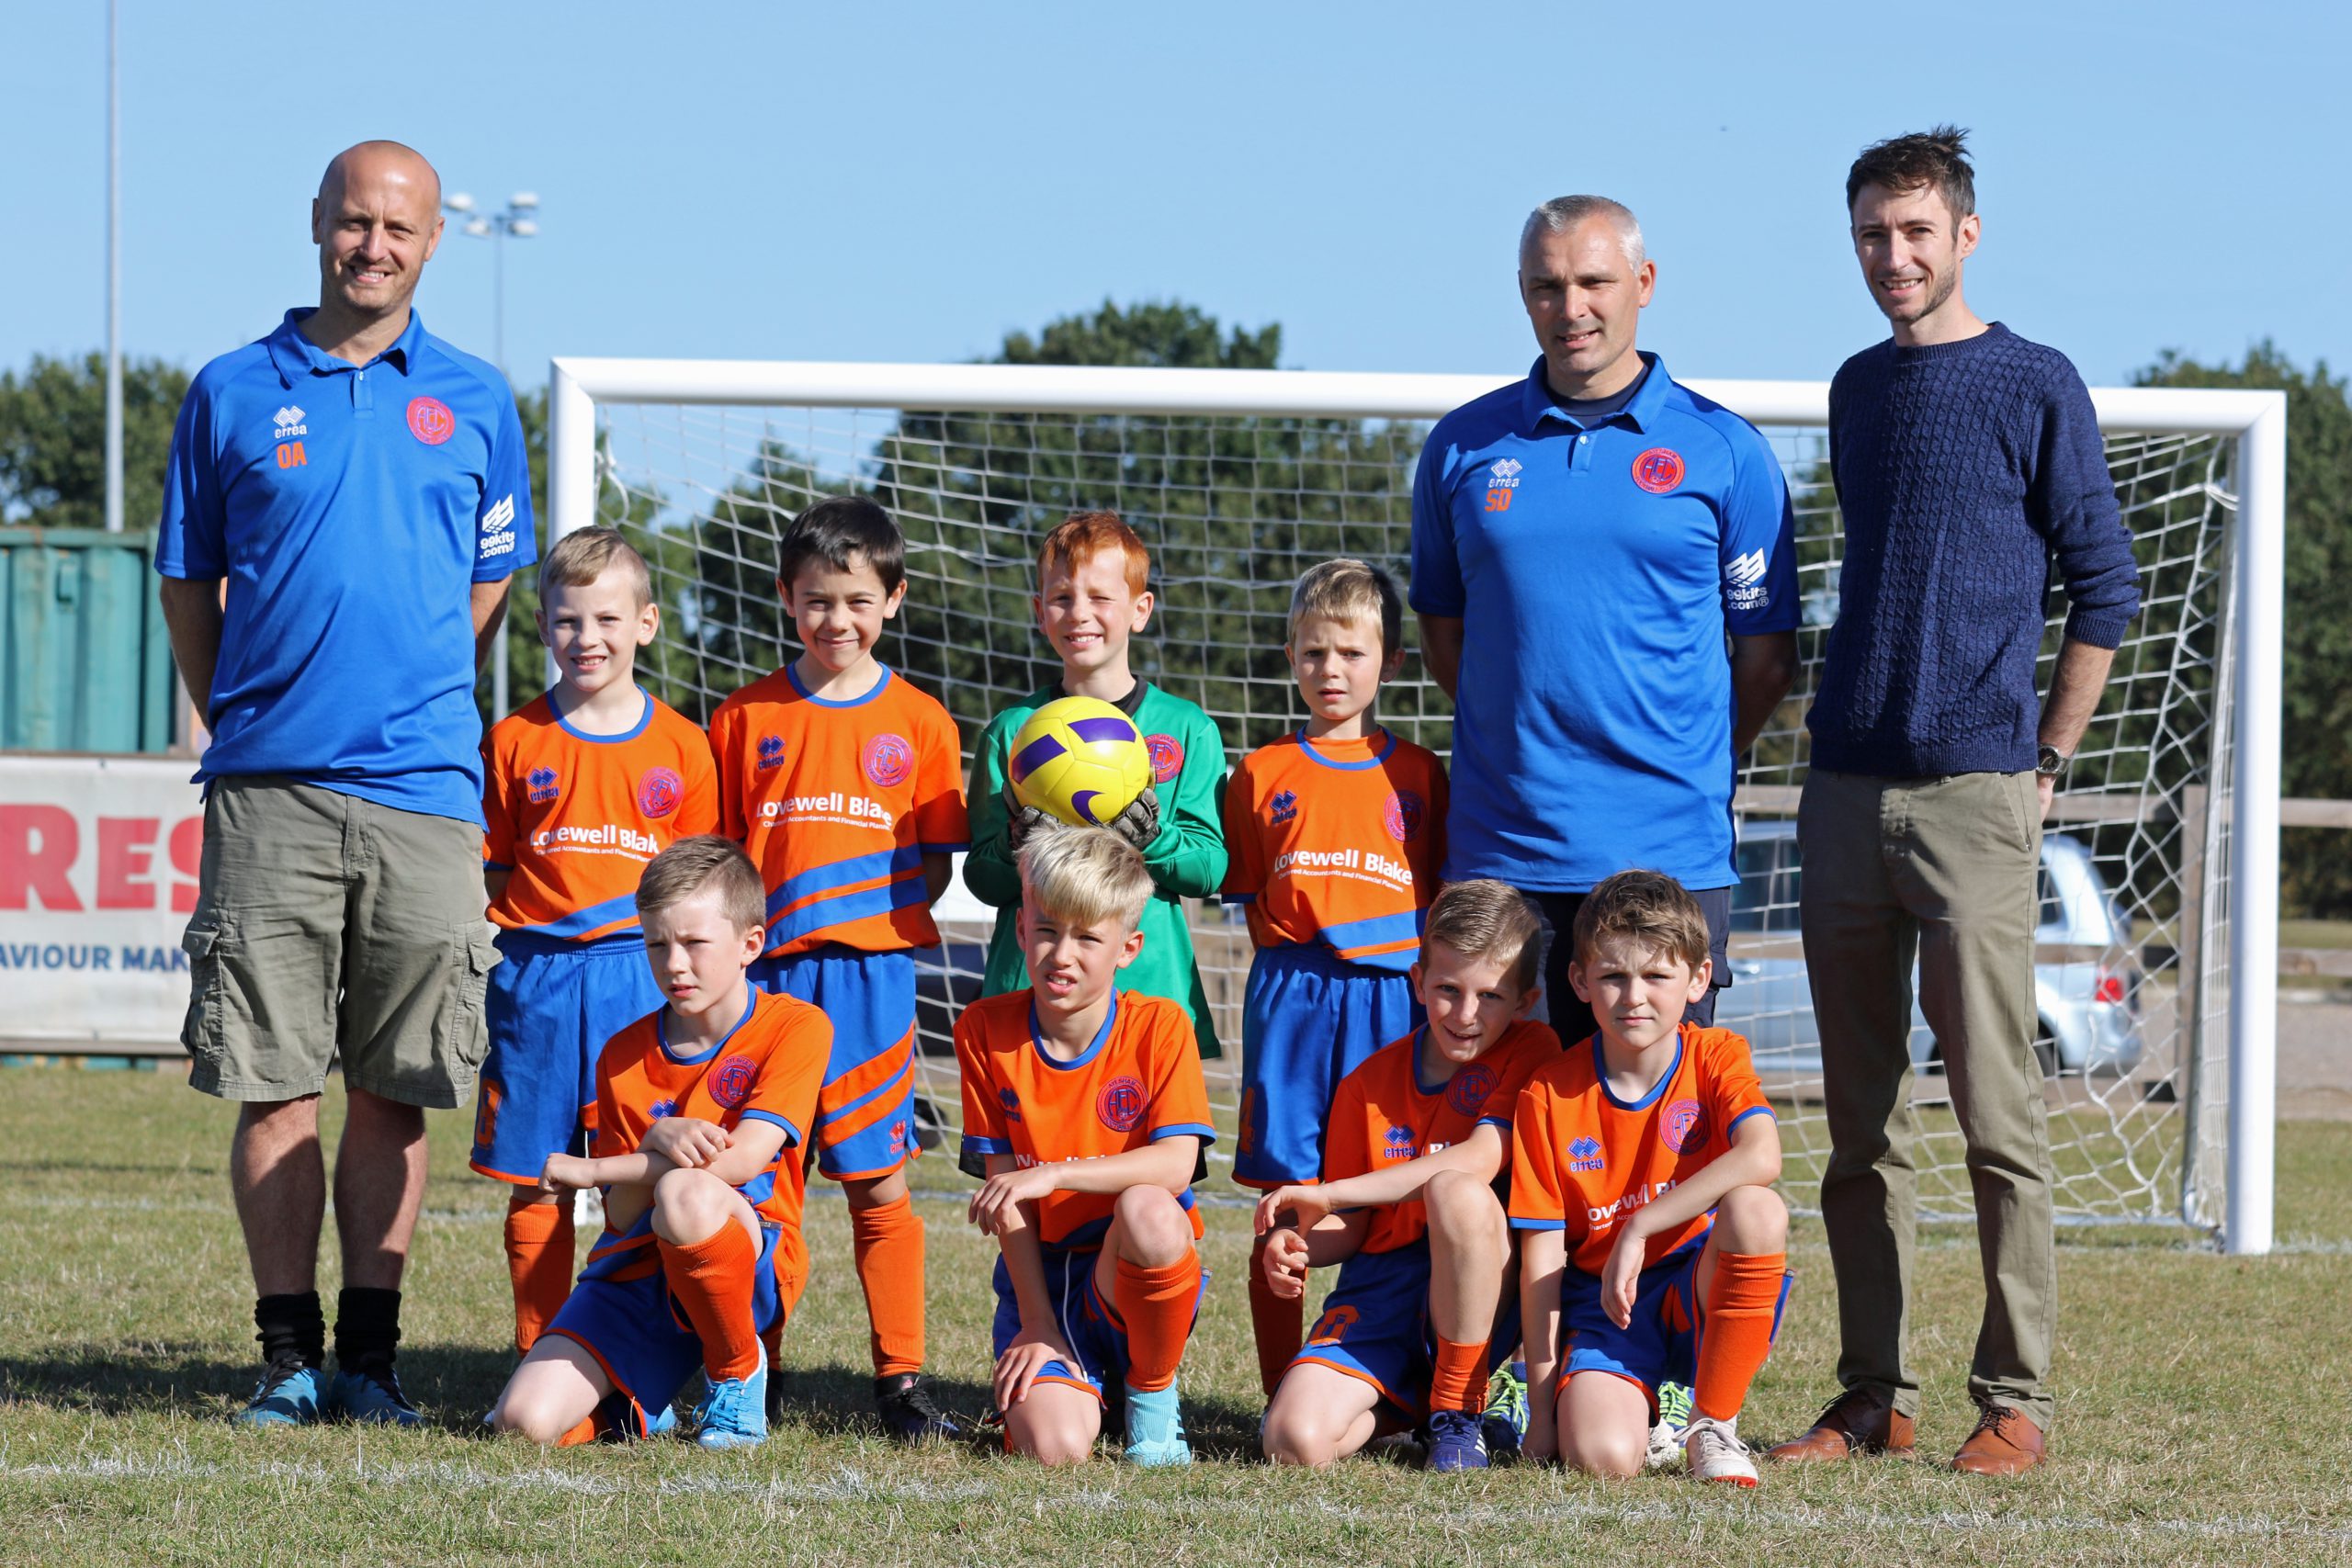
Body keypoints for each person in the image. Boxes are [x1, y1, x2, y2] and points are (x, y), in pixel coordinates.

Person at [1769, 128, 2142, 1479]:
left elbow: (2107, 586)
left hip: (1982, 793)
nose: (1894, 256)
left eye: (1917, 231)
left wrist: (2043, 762)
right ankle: (1875, 1391)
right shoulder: (1857, 387)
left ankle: (2015, 1397)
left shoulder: (2036, 381)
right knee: (1861, 1128)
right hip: (1843, 788)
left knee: (2000, 1115)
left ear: (1965, 234)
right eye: (1873, 233)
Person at [154, 140, 536, 1426]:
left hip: (426, 790)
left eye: (400, 227)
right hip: (269, 793)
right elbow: (184, 580)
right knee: (272, 1076)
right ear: (316, 223)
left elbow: (486, 585)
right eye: (354, 221)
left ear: (436, 242)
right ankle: (286, 1355)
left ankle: (370, 1359)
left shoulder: (481, 401)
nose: (374, 245)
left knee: (396, 1079)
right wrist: (247, 714)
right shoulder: (228, 391)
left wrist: (406, 686)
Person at [1408, 196, 1799, 1043]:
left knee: (1651, 1148)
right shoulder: (1461, 447)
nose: (1571, 308)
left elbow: (1766, 659)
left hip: (1668, 855)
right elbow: (1449, 637)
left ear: (1644, 283)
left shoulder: (1726, 449)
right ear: (1521, 293)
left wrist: (1680, 753)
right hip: (1503, 856)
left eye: (1594, 281)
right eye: (1547, 286)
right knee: (1494, 1147)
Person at [706, 495, 969, 1441]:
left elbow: (935, 861)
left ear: (892, 599)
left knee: (878, 1184)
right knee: (761, 1185)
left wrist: (871, 921)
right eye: (817, 600)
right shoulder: (741, 718)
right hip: (768, 985)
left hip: (872, 982)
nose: (837, 620)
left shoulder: (924, 723)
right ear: (786, 598)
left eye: (857, 600)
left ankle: (900, 1384)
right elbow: (723, 859)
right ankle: (750, 1372)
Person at [488, 837, 828, 1450]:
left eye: (695, 943)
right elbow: (621, 1212)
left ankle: (737, 1374)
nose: (674, 963)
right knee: (523, 1423)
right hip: (638, 1268)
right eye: (656, 943)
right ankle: (636, 1408)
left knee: (686, 1193)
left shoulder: (796, 1026)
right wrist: (653, 1136)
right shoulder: (623, 1053)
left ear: (751, 943)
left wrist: (594, 1167)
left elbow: (744, 1158)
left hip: (744, 1258)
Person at [471, 526, 718, 1356]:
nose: (589, 639)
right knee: (538, 1178)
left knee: (643, 1178)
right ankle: (539, 1351)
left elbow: (695, 889)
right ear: (543, 627)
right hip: (536, 976)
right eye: (570, 621)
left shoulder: (685, 746)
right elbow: (496, 870)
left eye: (608, 620)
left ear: (646, 624)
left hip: (641, 980)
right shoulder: (513, 740)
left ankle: (635, 1350)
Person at [1221, 558, 1449, 1394]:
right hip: (1293, 994)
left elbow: (1438, 892)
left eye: (1351, 654)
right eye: (1314, 652)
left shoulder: (1421, 775)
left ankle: (1400, 1372)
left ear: (1388, 663)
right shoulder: (1259, 773)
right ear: (1291, 656)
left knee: (1391, 1190)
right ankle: (1281, 1379)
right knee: (1287, 1193)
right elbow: (1247, 888)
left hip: (1393, 999)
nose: (1331, 671)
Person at [1256, 879, 1558, 1472]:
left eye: (1490, 996)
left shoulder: (1534, 1049)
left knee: (1457, 1192)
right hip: (1382, 1291)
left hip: (1486, 1282)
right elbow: (1354, 1229)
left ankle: (1458, 1411)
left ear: (1523, 1001)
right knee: (1294, 1442)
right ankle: (1407, 1408)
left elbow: (1477, 1159)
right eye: (1448, 989)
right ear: (1418, 982)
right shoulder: (1365, 1084)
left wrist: (1332, 1191)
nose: (1466, 1014)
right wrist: (1296, 1245)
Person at [1512, 871, 1791, 1486]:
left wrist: (1641, 1225)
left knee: (1757, 1210)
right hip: (1607, 1301)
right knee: (1601, 1458)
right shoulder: (1547, 1091)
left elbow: (1762, 1154)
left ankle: (1711, 1423)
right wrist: (1540, 1407)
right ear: (1580, 980)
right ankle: (1642, 1403)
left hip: (1697, 1282)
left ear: (1698, 979)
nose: (1633, 996)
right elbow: (1541, 1259)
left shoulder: (1716, 1054)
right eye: (1613, 975)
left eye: (1657, 976)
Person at [955, 826, 1216, 1467]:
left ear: (1128, 947)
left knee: (1153, 1210)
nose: (1060, 954)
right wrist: (1037, 1322)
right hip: (1044, 1279)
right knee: (1057, 1447)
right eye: (1046, 930)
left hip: (1126, 1271)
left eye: (1086, 937)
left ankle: (1150, 1395)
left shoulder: (1161, 1025)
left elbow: (1177, 1163)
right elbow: (1004, 1201)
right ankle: (1079, 1379)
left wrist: (1051, 1175)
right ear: (1020, 930)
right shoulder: (984, 1029)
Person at [962, 511, 1228, 1055]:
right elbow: (982, 879)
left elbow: (1209, 869)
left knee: (1151, 1142)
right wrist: (1017, 846)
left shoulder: (1187, 728)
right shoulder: (1011, 732)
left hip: (1150, 995)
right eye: (1061, 597)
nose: (1079, 613)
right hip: (1031, 1004)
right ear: (1040, 612)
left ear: (1140, 609)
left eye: (1100, 597)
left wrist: (1151, 839)